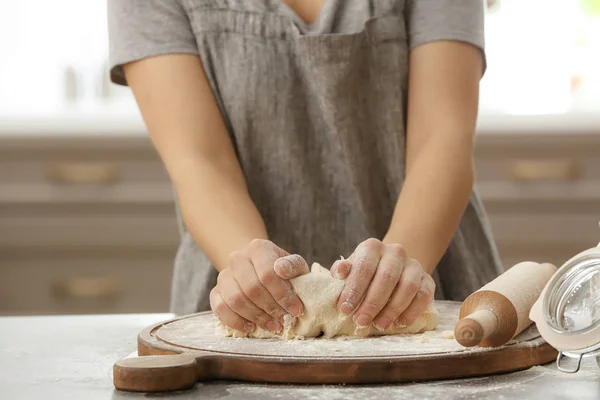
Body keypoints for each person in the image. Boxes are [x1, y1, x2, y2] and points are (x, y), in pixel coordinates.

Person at [107, 0, 503, 335]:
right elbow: (199, 163)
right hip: (240, 299)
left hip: (432, 279)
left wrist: (399, 272)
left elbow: (442, 139)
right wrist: (252, 268)